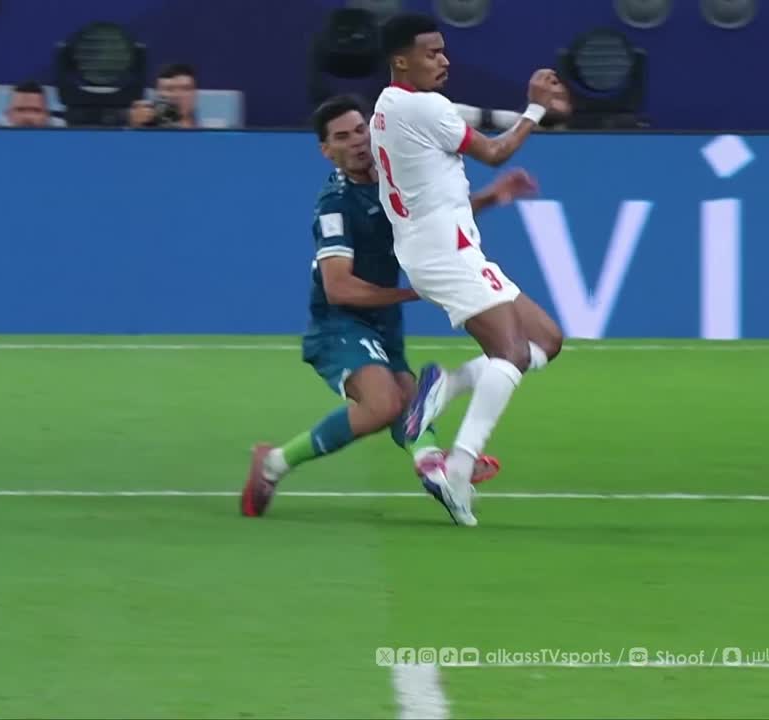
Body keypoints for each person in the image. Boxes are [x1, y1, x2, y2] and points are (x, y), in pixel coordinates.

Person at [240, 94, 539, 518]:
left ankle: (432, 465)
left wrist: (491, 197)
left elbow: (434, 222)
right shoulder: (335, 205)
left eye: (360, 130)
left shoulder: (391, 174)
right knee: (384, 405)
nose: (357, 142)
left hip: (383, 318)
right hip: (341, 322)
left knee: (409, 401)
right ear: (326, 151)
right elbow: (339, 288)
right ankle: (272, 465)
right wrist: (414, 293)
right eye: (342, 137)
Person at [369, 13, 567, 527]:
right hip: (444, 251)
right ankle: (458, 468)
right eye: (431, 52)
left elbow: (458, 135)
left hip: (444, 246)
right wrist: (536, 108)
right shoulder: (425, 107)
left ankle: (444, 385)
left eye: (443, 51)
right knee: (511, 353)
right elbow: (496, 152)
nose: (444, 60)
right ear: (401, 60)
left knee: (546, 341)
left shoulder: (389, 106)